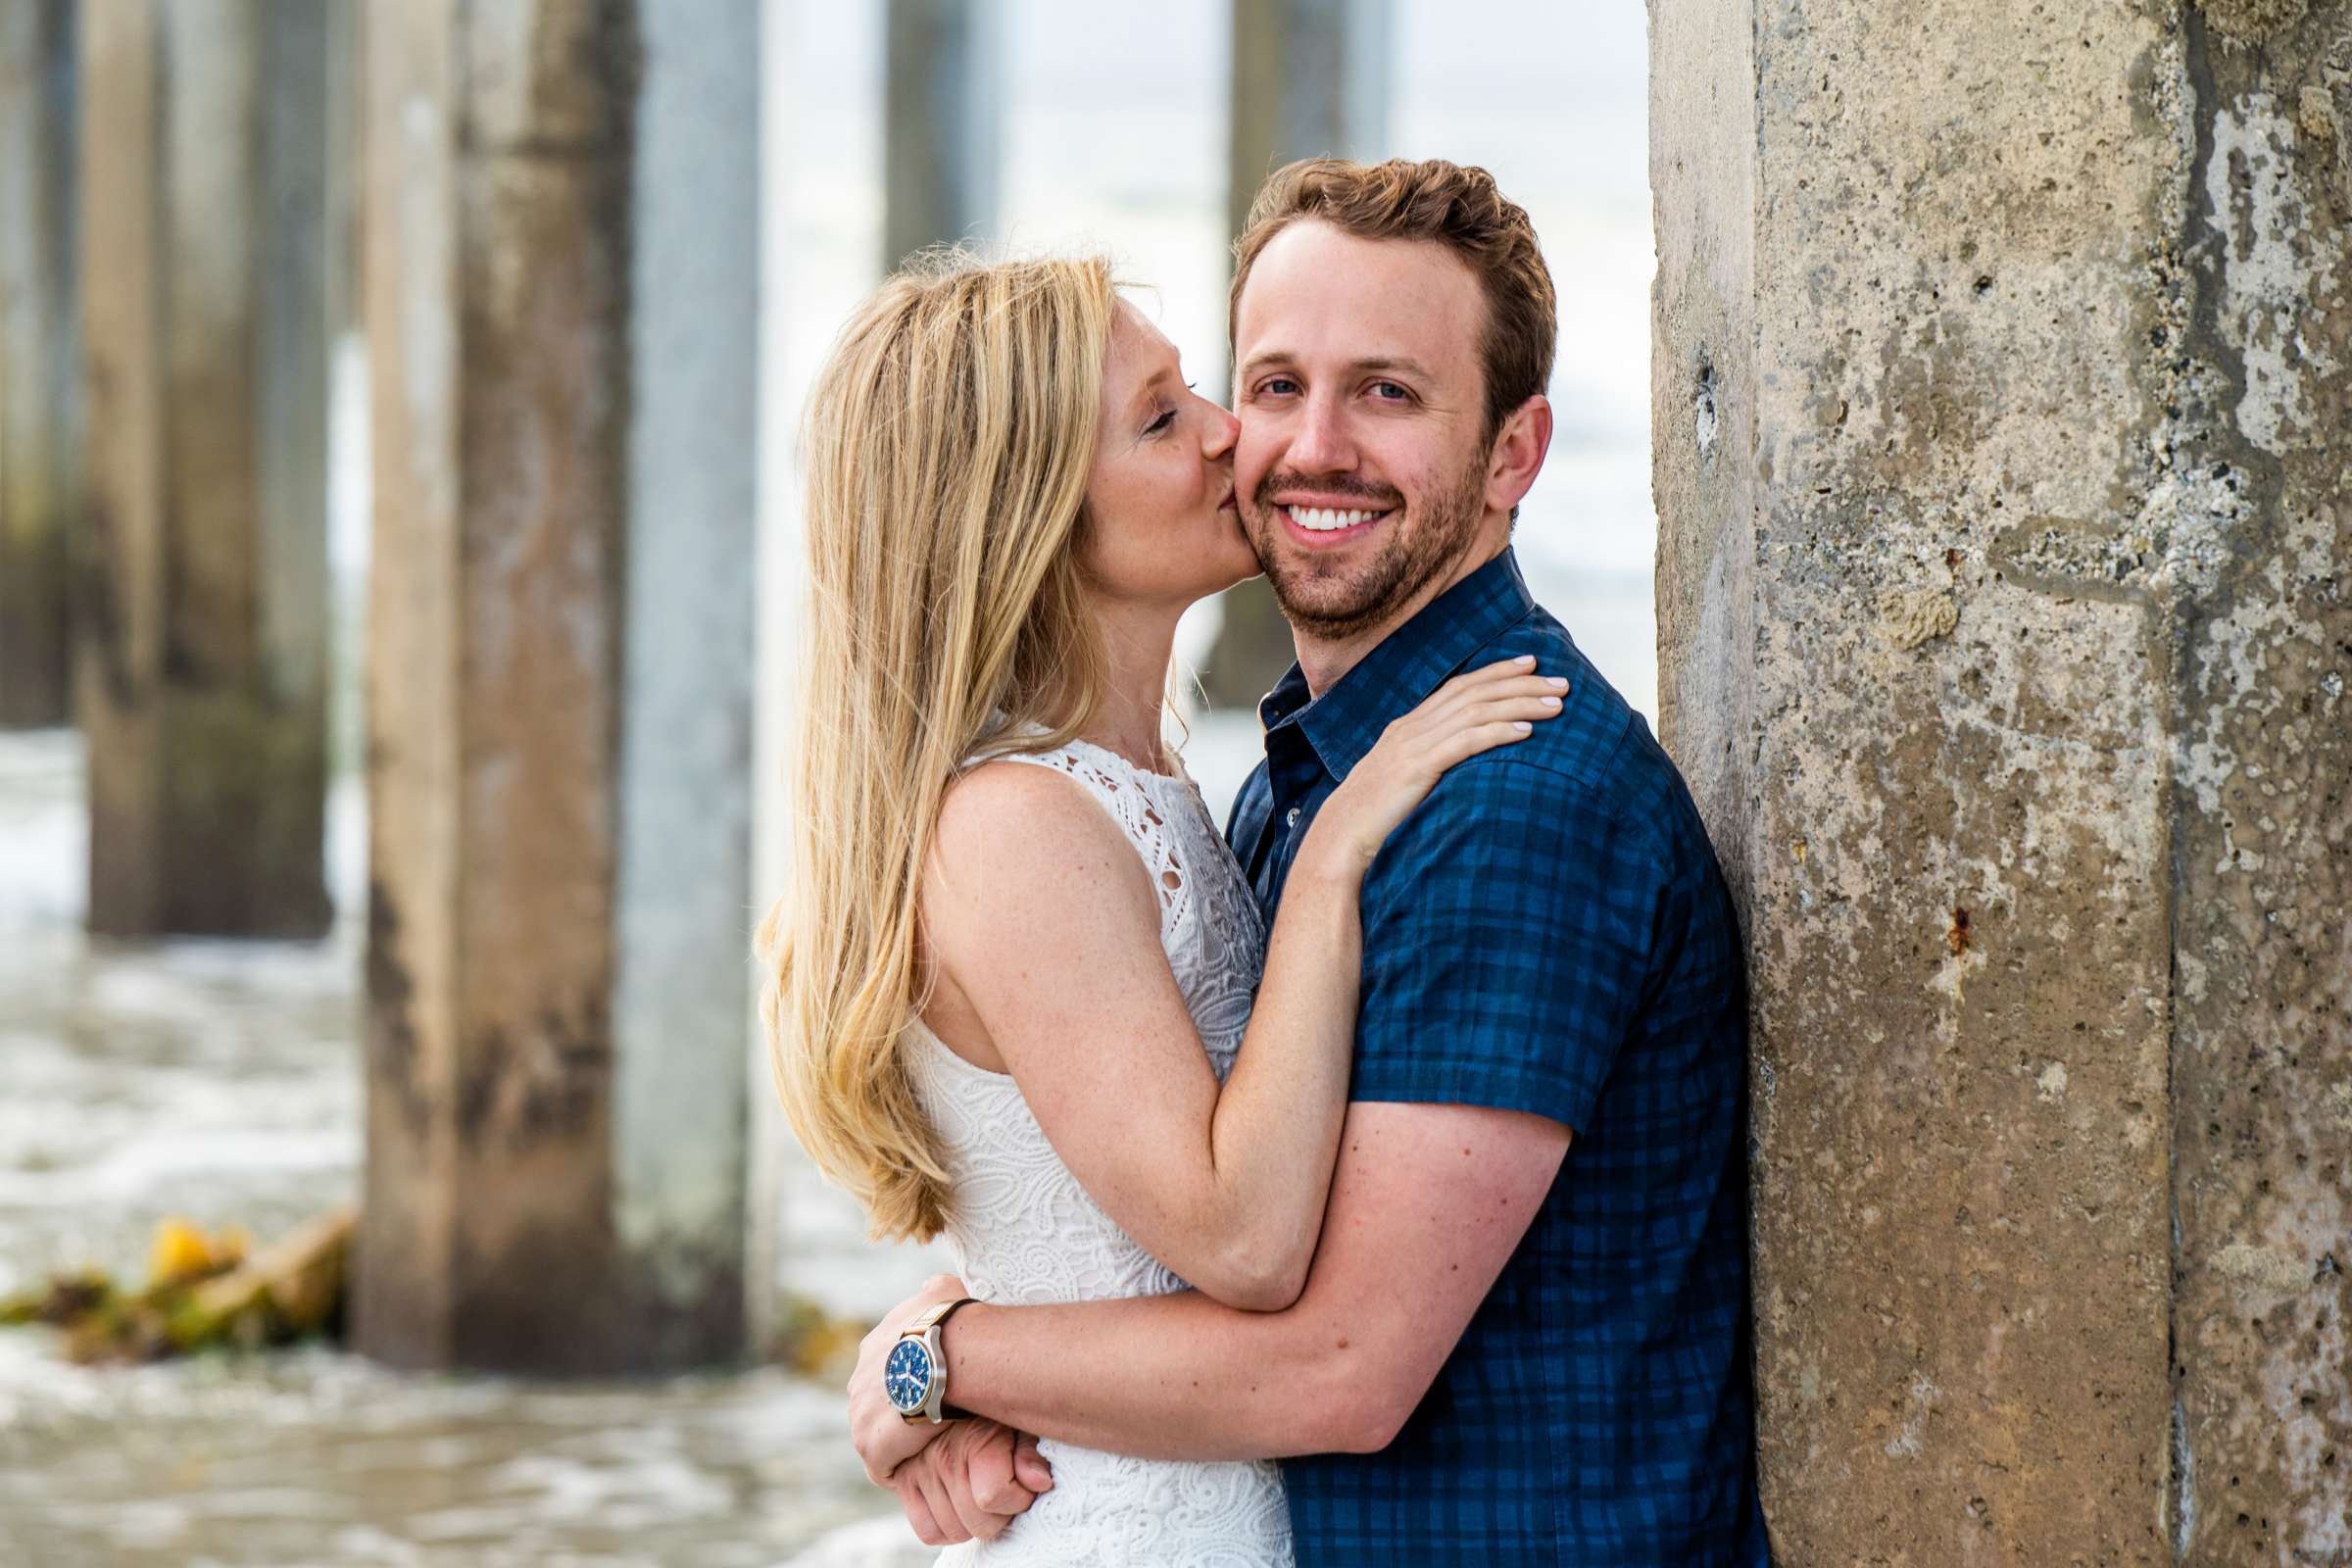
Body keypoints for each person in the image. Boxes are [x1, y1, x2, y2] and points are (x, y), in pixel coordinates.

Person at [848, 159, 1769, 1567]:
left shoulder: (1508, 805)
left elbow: (1334, 1362)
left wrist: (948, 1359)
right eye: (1271, 385)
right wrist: (939, 1347)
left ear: (1515, 456)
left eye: (1387, 393)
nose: (1290, 445)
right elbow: (1136, 1210)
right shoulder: (1300, 789)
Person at [756, 247, 1567, 1564]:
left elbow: (1087, 1236)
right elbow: (1242, 1241)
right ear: (1023, 516)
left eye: (1194, 392)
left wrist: (936, 1348)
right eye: (1159, 419)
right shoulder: (1018, 830)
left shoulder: (1148, 783)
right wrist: (1340, 851)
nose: (1227, 439)